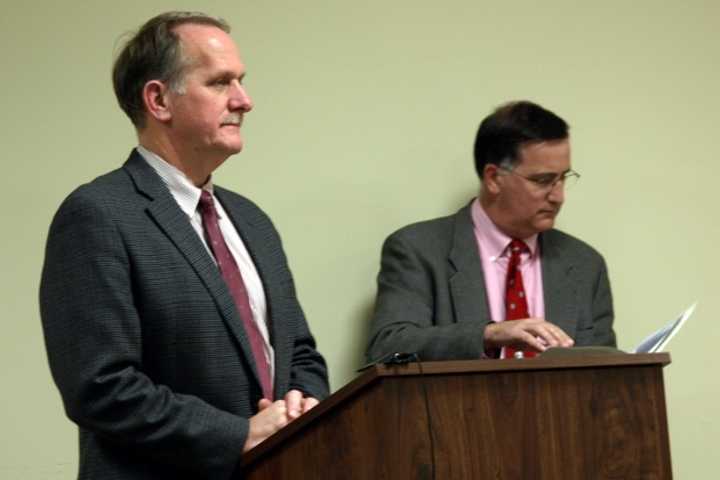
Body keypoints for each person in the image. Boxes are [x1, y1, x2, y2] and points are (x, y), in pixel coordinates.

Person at [39, 12, 328, 479]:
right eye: (220, 83)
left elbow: (301, 352)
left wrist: (301, 404)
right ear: (158, 100)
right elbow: (100, 387)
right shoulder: (97, 215)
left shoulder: (252, 220)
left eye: (242, 81)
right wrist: (239, 435)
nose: (245, 100)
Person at [366, 100, 616, 363]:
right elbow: (388, 345)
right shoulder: (418, 249)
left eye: (563, 178)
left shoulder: (585, 264)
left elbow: (604, 373)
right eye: (543, 181)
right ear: (494, 178)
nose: (558, 196)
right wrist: (488, 334)